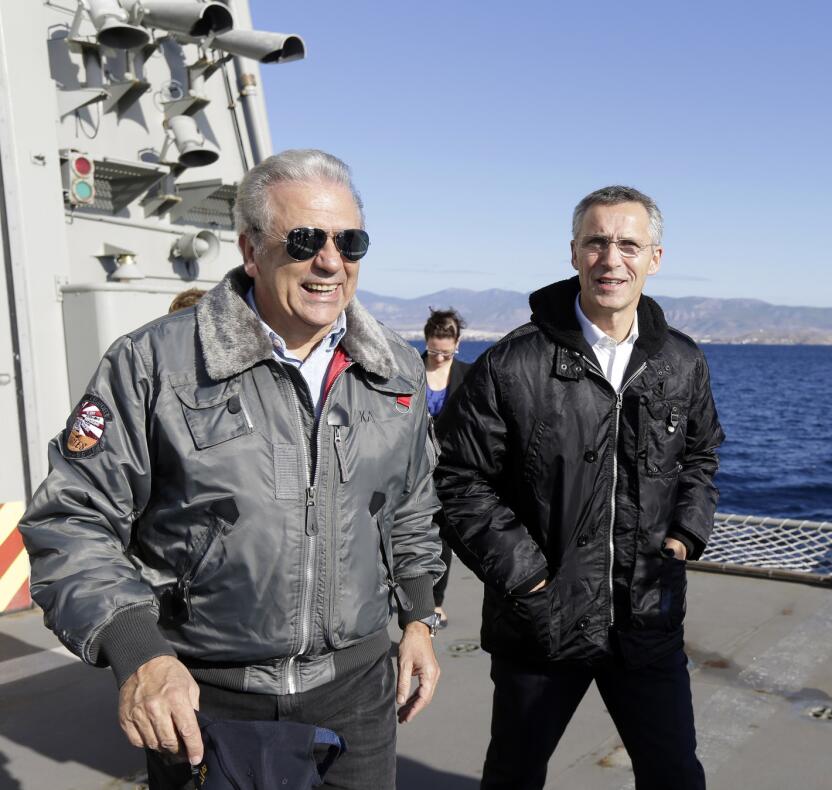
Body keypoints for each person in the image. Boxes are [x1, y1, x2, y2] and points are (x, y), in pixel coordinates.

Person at [18, 149, 444, 789]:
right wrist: (139, 654)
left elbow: (409, 508)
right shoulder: (154, 364)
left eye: (349, 242)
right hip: (208, 696)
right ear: (251, 250)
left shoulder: (394, 370)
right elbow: (72, 519)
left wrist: (418, 618)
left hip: (358, 694)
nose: (331, 262)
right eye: (304, 241)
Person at [435, 185, 724, 789]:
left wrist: (684, 536)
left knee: (675, 774)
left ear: (655, 258)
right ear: (573, 253)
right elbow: (458, 479)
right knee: (514, 774)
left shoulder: (682, 361)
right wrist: (530, 577)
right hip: (542, 622)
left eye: (627, 244)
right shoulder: (514, 363)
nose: (610, 259)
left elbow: (700, 453)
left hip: (647, 614)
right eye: (596, 242)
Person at [422, 307, 472, 629]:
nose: (438, 358)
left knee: (443, 539)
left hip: (449, 470)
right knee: (403, 534)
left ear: (457, 344)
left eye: (445, 351)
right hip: (410, 468)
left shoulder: (468, 375)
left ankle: (436, 603)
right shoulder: (410, 368)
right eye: (432, 350)